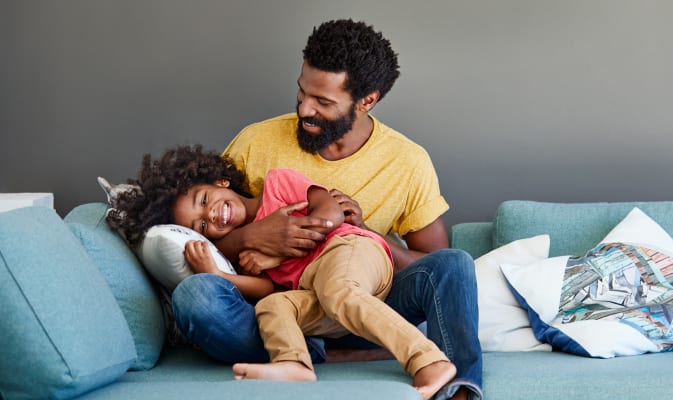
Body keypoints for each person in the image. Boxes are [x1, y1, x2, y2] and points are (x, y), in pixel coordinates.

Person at [171, 19, 482, 400]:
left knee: (454, 263)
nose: (304, 109)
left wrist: (366, 233)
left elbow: (430, 267)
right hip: (297, 302)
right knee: (196, 298)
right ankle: (310, 357)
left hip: (365, 293)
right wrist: (252, 237)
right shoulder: (256, 142)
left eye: (323, 102)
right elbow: (214, 226)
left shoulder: (408, 161)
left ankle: (455, 385)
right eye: (302, 93)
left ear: (367, 100)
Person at [107, 145, 457, 400]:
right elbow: (267, 290)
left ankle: (427, 360)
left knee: (340, 290)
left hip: (353, 250)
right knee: (272, 309)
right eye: (200, 225)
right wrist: (217, 274)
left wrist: (285, 244)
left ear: (220, 181)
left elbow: (331, 213)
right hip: (315, 288)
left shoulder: (277, 185)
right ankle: (295, 365)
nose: (211, 215)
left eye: (203, 200)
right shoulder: (245, 249)